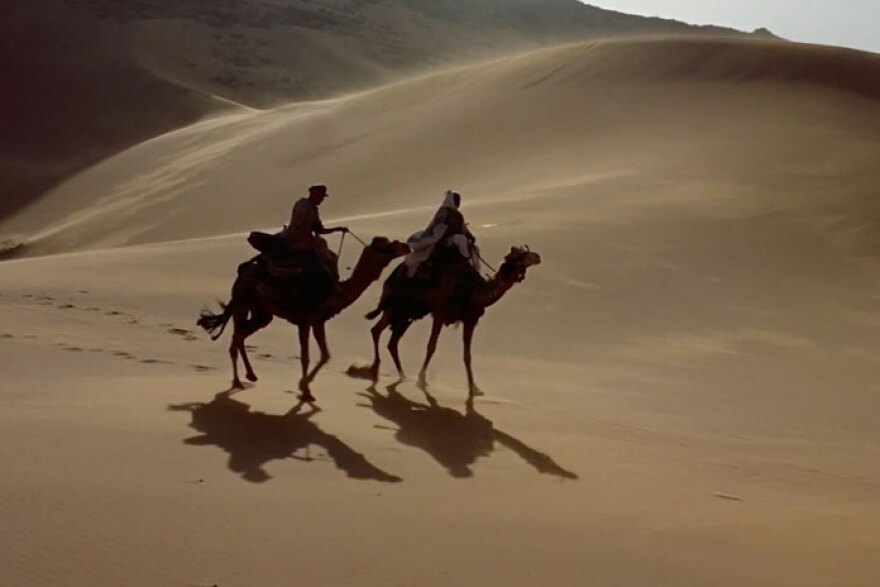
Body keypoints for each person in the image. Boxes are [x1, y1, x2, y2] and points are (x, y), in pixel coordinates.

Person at [404, 190, 480, 277]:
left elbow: (463, 228)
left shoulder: (458, 215)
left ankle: (474, 269)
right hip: (446, 238)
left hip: (455, 238)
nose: (458, 202)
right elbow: (438, 226)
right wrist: (445, 232)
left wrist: (470, 236)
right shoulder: (443, 211)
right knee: (461, 239)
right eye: (456, 200)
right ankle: (464, 260)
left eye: (459, 200)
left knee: (474, 249)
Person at [281, 184, 348, 281]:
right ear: (314, 195)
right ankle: (332, 281)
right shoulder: (302, 205)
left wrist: (337, 229)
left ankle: (332, 280)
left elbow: (319, 230)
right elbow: (298, 223)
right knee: (324, 250)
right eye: (321, 196)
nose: (322, 199)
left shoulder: (313, 209)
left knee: (332, 256)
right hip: (297, 240)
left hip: (305, 240)